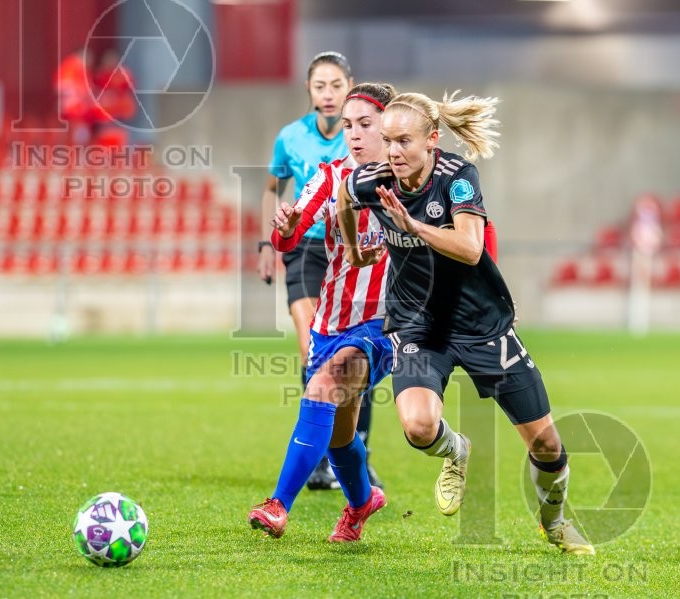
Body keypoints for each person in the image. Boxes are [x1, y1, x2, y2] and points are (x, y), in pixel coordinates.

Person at [336, 91, 595, 555]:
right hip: (418, 326)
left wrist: (414, 228)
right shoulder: (372, 179)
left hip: (482, 326)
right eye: (388, 140)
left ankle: (554, 522)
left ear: (432, 140)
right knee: (417, 427)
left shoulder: (457, 178)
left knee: (548, 446)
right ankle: (456, 451)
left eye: (403, 141)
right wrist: (356, 251)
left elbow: (471, 247)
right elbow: (345, 195)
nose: (393, 152)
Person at [248, 83, 398, 543]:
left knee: (322, 386)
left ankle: (278, 504)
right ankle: (361, 502)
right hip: (331, 323)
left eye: (365, 125)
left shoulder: (410, 180)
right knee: (339, 434)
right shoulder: (331, 176)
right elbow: (290, 240)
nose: (354, 134)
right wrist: (288, 227)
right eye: (348, 126)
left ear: (388, 127)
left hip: (384, 324)